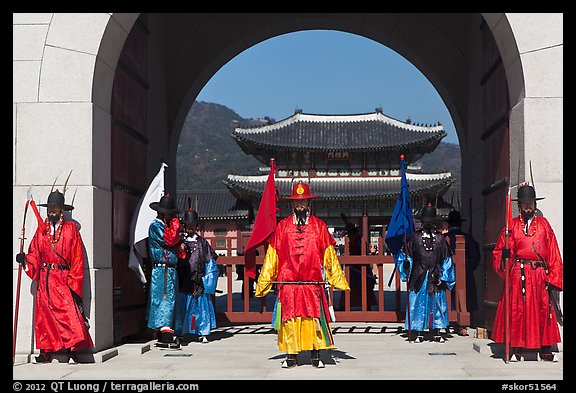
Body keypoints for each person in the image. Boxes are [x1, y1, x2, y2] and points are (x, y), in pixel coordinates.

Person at [255, 181, 350, 368]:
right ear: (292, 204)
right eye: (297, 202)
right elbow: (272, 256)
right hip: (289, 283)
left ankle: (315, 354)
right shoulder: (282, 227)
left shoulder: (319, 226)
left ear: (309, 203)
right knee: (290, 319)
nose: (300, 205)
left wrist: (336, 279)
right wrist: (264, 281)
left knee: (313, 319)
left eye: (304, 201)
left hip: (311, 283)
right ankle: (291, 356)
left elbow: (329, 254)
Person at [15, 189, 93, 363]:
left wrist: (73, 282)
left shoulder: (71, 229)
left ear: (62, 210)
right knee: (44, 318)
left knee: (69, 315)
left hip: (63, 277)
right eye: (49, 207)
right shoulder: (41, 230)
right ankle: (45, 351)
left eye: (55, 207)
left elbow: (77, 258)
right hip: (45, 278)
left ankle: (72, 348)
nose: (51, 210)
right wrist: (25, 259)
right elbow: (34, 252)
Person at [491, 184, 563, 362]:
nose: (528, 206)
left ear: (535, 204)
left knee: (543, 310)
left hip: (540, 274)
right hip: (519, 274)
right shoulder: (512, 225)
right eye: (524, 203)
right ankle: (517, 347)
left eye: (530, 203)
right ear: (519, 206)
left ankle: (545, 348)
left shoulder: (545, 225)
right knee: (518, 311)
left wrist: (554, 277)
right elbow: (499, 251)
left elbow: (553, 251)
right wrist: (504, 255)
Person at [394, 203, 455, 343]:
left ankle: (437, 330)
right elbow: (406, 255)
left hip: (436, 275)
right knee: (418, 303)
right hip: (418, 274)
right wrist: (406, 263)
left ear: (434, 221)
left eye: (431, 220)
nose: (428, 223)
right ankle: (418, 330)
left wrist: (444, 277)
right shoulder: (414, 238)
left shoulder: (440, 239)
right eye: (426, 220)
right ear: (422, 221)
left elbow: (447, 259)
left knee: (437, 304)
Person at [174, 209, 219, 343]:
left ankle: (202, 332)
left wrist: (208, 278)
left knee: (201, 307)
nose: (191, 228)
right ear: (185, 226)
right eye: (189, 226)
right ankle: (180, 331)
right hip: (184, 278)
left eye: (193, 225)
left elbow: (210, 261)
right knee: (183, 306)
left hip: (199, 279)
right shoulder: (180, 241)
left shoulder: (202, 242)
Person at [147, 194, 182, 349]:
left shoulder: (164, 226)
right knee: (164, 298)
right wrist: (175, 228)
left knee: (168, 298)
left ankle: (165, 329)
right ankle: (165, 329)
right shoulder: (156, 226)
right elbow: (170, 240)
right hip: (163, 269)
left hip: (169, 269)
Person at [444, 210, 480, 336]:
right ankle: (464, 324)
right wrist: (468, 268)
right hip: (465, 272)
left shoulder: (444, 239)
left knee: (449, 297)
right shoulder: (468, 239)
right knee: (465, 297)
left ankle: (447, 320)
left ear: (448, 224)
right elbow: (476, 258)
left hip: (447, 273)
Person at [338, 217, 377, 310]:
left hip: (359, 265)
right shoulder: (355, 238)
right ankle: (344, 306)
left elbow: (361, 250)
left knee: (363, 286)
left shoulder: (357, 239)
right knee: (349, 286)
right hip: (353, 265)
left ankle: (366, 306)